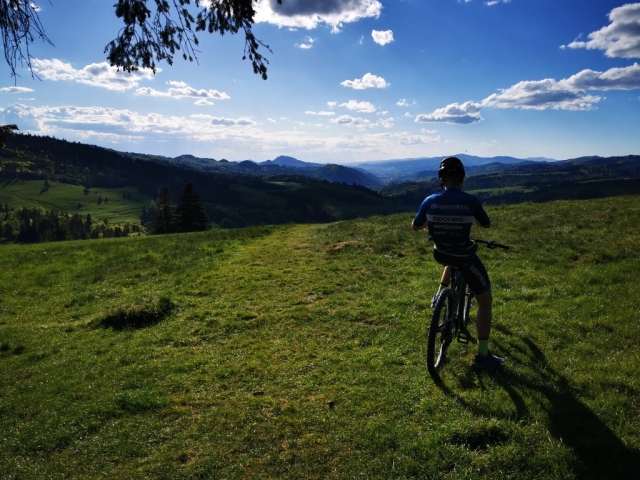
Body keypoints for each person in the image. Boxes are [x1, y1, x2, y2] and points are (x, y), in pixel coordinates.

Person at [411, 156, 504, 369]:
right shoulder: (470, 200)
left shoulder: (429, 200)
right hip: (465, 256)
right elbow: (486, 225)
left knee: (450, 258)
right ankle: (483, 356)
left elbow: (416, 226)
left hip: (441, 253)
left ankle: (440, 293)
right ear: (461, 179)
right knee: (485, 302)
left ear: (441, 179)